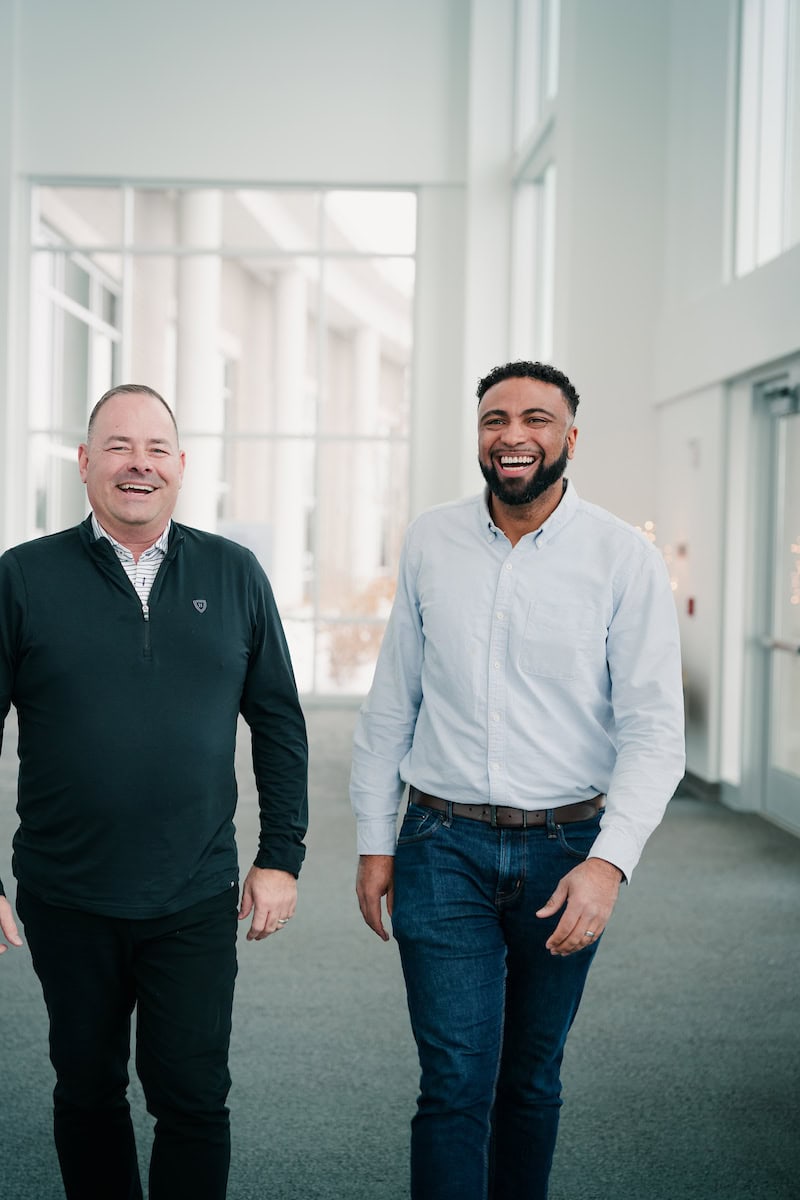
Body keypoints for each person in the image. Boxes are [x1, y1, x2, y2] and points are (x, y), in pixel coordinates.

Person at [351, 360, 685, 1200]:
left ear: (570, 438)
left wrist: (610, 864)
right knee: (455, 1079)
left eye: (536, 419)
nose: (513, 435)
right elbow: (395, 698)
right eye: (495, 419)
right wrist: (371, 838)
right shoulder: (431, 537)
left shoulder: (622, 557)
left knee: (531, 1079)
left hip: (567, 853)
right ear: (479, 437)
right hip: (440, 844)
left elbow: (655, 730)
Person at [0, 384, 308, 1200]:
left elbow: (278, 721)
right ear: (84, 462)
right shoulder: (22, 577)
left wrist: (281, 856)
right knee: (89, 1089)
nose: (139, 464)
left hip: (194, 892)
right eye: (118, 446)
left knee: (194, 1097)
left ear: (180, 465)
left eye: (156, 449)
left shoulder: (234, 572)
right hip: (69, 895)